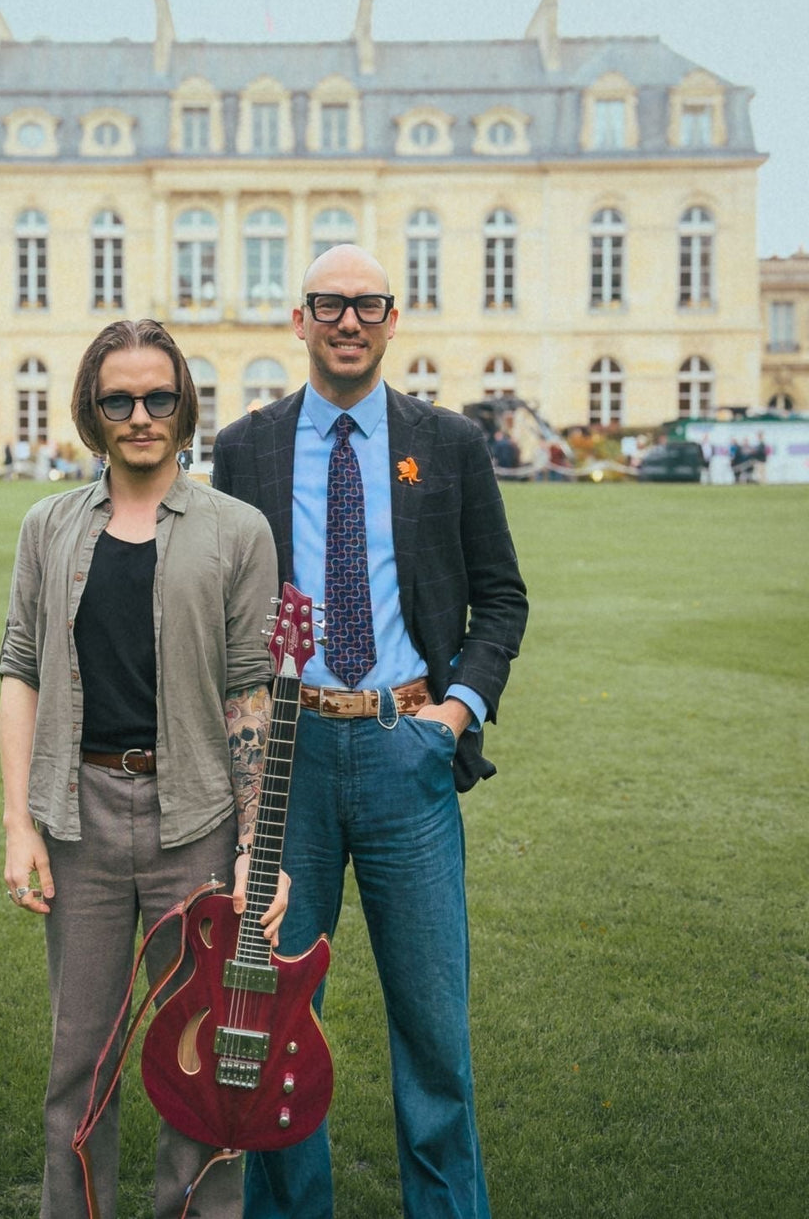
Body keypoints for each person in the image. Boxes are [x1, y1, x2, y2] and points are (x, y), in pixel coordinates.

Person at [213, 245, 528, 1219]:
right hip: (289, 769)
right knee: (269, 1022)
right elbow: (230, 614)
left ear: (394, 320)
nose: (348, 321)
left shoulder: (449, 443)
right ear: (297, 321)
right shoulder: (246, 447)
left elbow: (501, 600)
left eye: (367, 304)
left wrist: (450, 717)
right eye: (328, 304)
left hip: (407, 753)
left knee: (434, 1033)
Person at [0, 319, 288, 1219]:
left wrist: (254, 847)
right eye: (119, 399)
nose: (140, 416)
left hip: (191, 819)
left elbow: (250, 696)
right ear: (93, 408)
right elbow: (19, 667)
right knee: (78, 1068)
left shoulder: (236, 531)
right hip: (77, 820)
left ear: (183, 404)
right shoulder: (49, 526)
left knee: (200, 1059)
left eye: (158, 397)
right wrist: (19, 823)